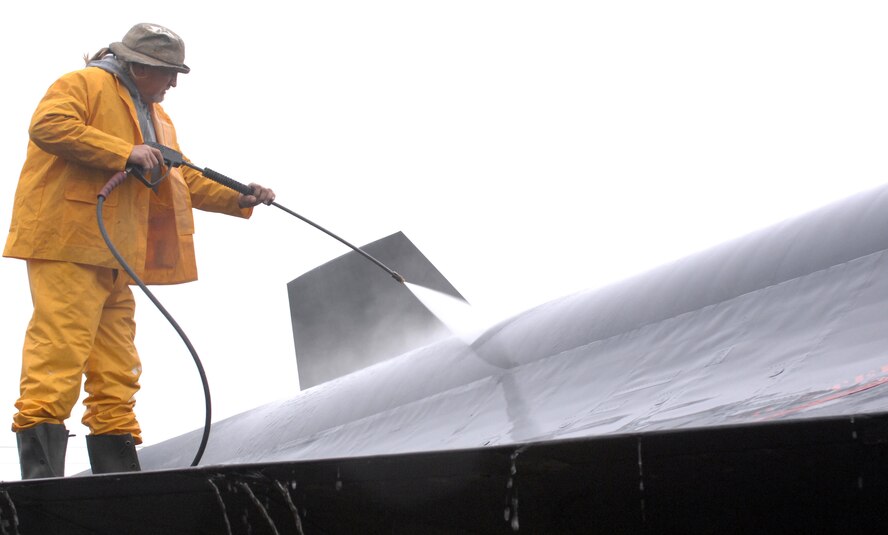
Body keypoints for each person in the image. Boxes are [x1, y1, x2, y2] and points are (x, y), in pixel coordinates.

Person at [3, 23, 275, 479]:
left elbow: (179, 177)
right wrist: (123, 151)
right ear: (139, 66)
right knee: (59, 354)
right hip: (69, 244)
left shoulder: (158, 118)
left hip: (116, 257)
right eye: (168, 72)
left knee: (117, 367)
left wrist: (238, 196)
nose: (174, 83)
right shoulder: (83, 84)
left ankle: (118, 478)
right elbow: (48, 126)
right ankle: (41, 482)